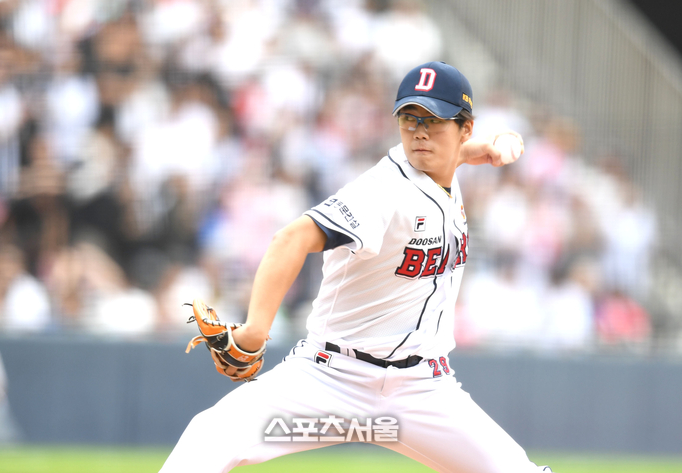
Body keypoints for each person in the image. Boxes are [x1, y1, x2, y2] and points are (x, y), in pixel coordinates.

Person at [161, 62, 553, 473]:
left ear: (465, 129)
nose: (419, 132)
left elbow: (453, 156)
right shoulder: (383, 191)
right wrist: (255, 330)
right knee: (212, 436)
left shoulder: (444, 164)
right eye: (409, 118)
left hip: (421, 392)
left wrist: (492, 145)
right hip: (330, 381)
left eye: (434, 120)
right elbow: (291, 239)